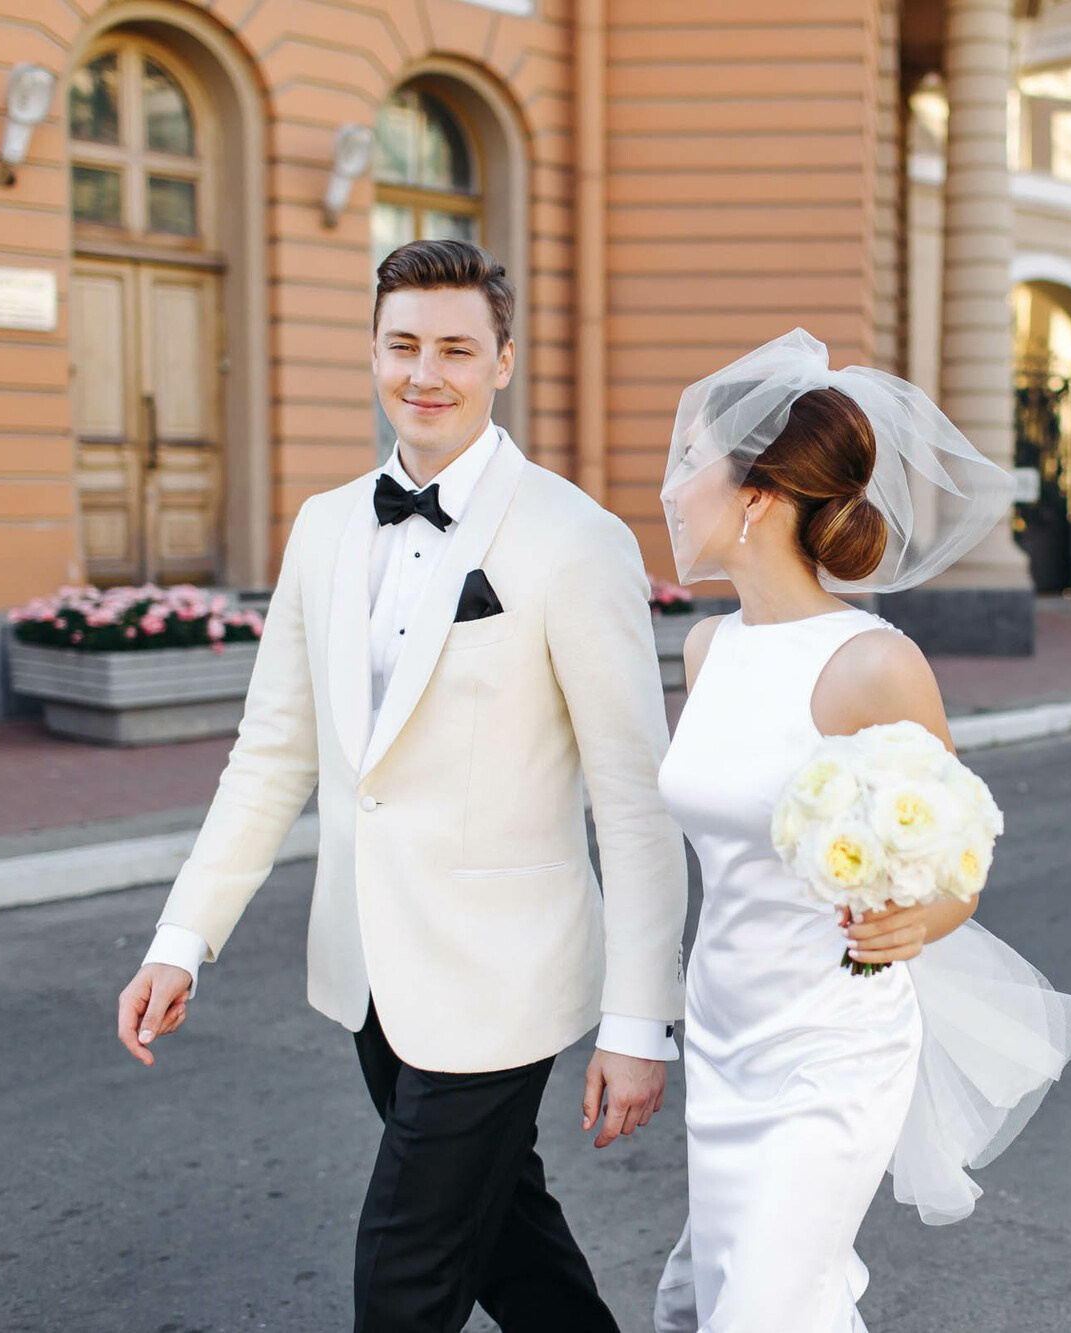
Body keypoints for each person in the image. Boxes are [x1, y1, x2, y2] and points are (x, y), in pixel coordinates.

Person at [113, 238, 687, 1333]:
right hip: (371, 969)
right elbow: (272, 751)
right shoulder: (326, 525)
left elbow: (632, 798)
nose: (425, 373)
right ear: (374, 352)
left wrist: (638, 1020)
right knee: (507, 1242)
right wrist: (181, 939)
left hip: (504, 974)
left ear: (502, 360)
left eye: (456, 349)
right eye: (402, 345)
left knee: (404, 1273)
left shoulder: (575, 538)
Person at [651, 330, 1071, 1332]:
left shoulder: (872, 663)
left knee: (763, 1311)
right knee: (744, 1295)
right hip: (723, 1027)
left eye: (686, 464)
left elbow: (959, 861)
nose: (668, 488)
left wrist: (916, 923)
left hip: (830, 1042)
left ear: (756, 496)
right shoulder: (703, 647)